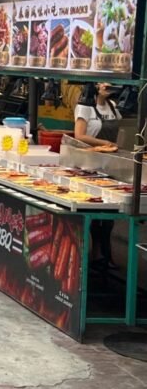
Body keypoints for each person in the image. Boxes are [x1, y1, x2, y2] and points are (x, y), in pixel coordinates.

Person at [74, 82, 122, 271]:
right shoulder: (85, 107)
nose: (107, 86)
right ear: (94, 86)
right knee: (93, 212)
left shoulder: (113, 107)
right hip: (89, 162)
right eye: (103, 83)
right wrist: (104, 142)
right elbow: (79, 135)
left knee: (109, 214)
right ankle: (93, 255)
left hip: (109, 164)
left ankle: (105, 254)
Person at [75, 82, 121, 148]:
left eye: (108, 82)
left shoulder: (112, 105)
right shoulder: (85, 106)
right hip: (90, 153)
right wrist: (106, 143)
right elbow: (79, 136)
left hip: (111, 152)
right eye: (101, 82)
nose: (106, 85)